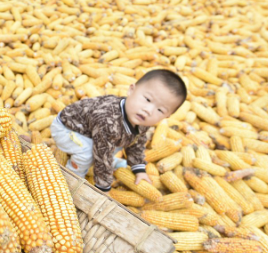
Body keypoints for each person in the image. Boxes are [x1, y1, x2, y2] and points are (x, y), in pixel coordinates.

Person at [49, 69, 187, 192]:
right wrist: (103, 187)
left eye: (160, 110)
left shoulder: (141, 119)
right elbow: (101, 154)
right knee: (89, 152)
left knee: (118, 142)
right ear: (131, 90)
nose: (149, 110)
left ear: (166, 116)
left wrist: (138, 168)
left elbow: (136, 143)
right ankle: (71, 177)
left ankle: (109, 161)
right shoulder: (108, 119)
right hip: (67, 129)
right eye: (147, 99)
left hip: (93, 134)